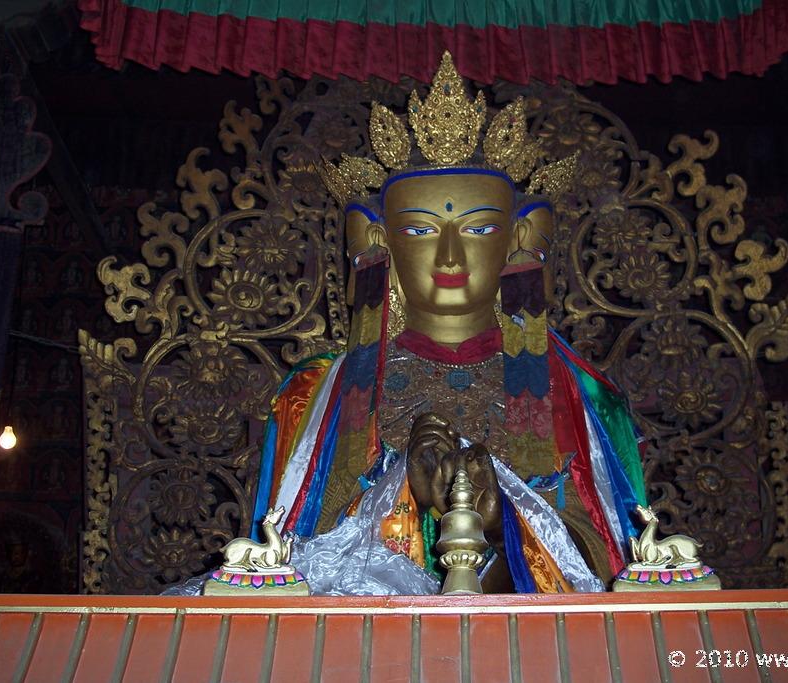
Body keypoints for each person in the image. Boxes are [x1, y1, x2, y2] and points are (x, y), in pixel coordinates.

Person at [250, 53, 647, 595]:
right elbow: (277, 569)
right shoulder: (312, 397)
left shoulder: (582, 397)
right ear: (374, 240)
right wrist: (400, 500)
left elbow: (621, 568)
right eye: (420, 232)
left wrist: (504, 525)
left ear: (523, 236)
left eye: (480, 230)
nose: (451, 257)